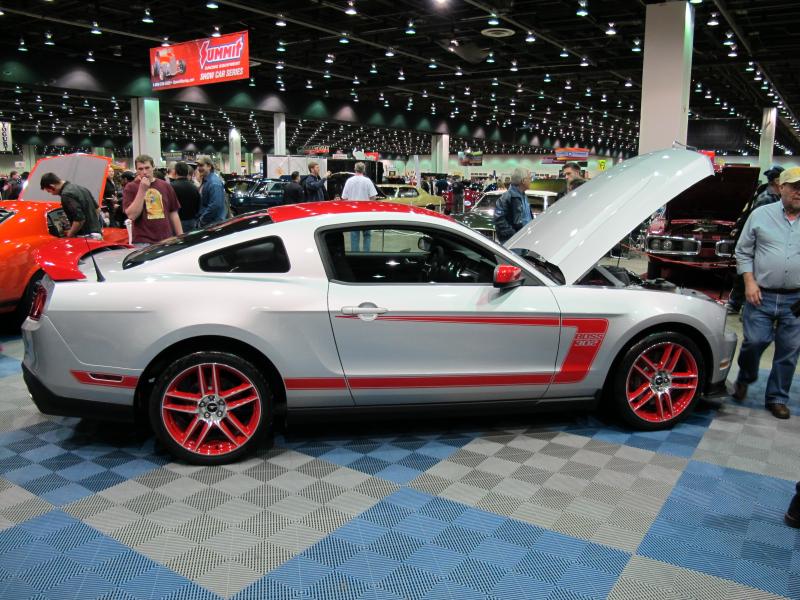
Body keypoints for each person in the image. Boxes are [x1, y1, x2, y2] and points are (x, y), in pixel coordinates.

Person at [731, 167, 800, 420]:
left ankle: (777, 397)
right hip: (761, 294)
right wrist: (749, 282)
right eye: (794, 187)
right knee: (755, 342)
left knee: (790, 350)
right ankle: (746, 377)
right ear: (782, 187)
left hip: (796, 298)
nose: (799, 192)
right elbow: (743, 251)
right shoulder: (760, 215)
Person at [123, 154, 182, 245]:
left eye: (147, 168)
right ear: (136, 170)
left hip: (166, 239)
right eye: (140, 169)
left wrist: (180, 237)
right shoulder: (131, 187)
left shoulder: (165, 186)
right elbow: (132, 216)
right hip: (143, 241)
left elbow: (173, 213)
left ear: (153, 167)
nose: (144, 172)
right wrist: (142, 190)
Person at [39, 173, 102, 239]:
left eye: (49, 191)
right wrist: (93, 225)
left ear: (52, 186)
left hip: (85, 237)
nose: (52, 194)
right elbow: (97, 209)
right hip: (97, 234)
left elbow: (79, 220)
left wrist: (70, 234)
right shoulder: (82, 188)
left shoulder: (66, 195)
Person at [341, 162, 379, 252]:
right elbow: (373, 197)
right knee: (367, 235)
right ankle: (366, 255)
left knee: (354, 235)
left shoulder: (349, 181)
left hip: (353, 213)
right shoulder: (367, 181)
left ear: (355, 169)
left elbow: (344, 198)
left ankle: (355, 256)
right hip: (366, 213)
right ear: (364, 170)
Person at [493, 168, 533, 244]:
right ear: (523, 181)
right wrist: (514, 236)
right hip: (513, 244)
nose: (531, 180)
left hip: (524, 241)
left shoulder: (523, 196)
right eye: (530, 178)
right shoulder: (507, 198)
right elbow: (499, 220)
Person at [194, 155, 227, 228]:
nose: (199, 168)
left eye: (201, 165)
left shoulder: (214, 183)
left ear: (209, 166)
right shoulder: (206, 180)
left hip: (213, 224)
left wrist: (202, 220)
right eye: (198, 166)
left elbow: (215, 205)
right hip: (209, 223)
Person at [171, 161, 200, 233]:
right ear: (187, 172)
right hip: (191, 221)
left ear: (175, 172)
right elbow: (198, 205)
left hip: (176, 222)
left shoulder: (170, 187)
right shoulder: (194, 187)